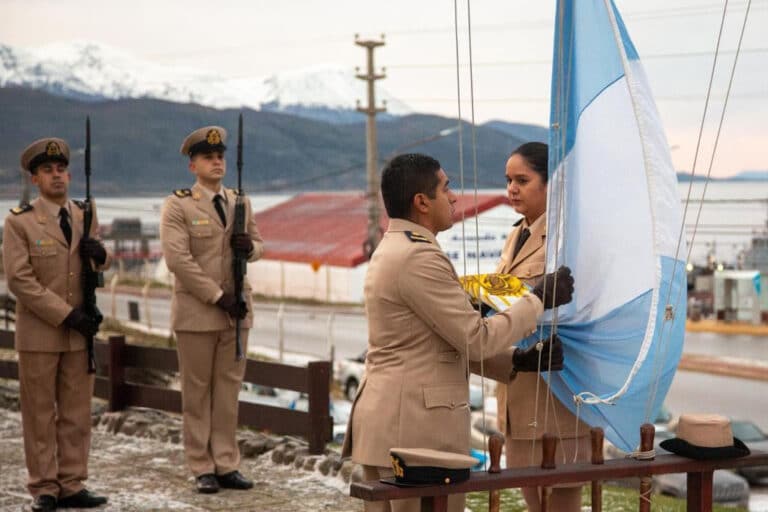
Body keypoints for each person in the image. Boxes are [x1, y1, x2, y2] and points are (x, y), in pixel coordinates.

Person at [341, 153, 574, 512]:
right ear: (422, 202)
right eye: (445, 188)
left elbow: (437, 342)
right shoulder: (418, 258)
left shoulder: (397, 249)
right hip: (415, 431)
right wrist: (539, 299)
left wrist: (516, 361)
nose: (454, 198)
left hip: (394, 423)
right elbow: (473, 337)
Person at [3, 137, 111, 511]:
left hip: (79, 335)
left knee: (77, 413)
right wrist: (66, 315)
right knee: (39, 414)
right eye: (48, 170)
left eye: (61, 169)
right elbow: (19, 280)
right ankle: (45, 487)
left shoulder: (85, 214)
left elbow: (89, 269)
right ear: (36, 179)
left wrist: (102, 257)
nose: (57, 176)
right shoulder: (20, 223)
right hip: (41, 334)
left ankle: (72, 483)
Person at [160, 125, 264, 494]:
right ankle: (201, 465)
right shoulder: (179, 205)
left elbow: (259, 243)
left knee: (228, 391)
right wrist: (218, 297)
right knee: (197, 392)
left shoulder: (240, 202)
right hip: (199, 312)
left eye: (220, 156)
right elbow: (179, 260)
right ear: (193, 166)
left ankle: (226, 462)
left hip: (237, 312)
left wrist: (247, 246)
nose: (217, 162)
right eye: (208, 157)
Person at [487, 142, 590, 512]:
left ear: (550, 184)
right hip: (517, 393)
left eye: (522, 180)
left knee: (560, 500)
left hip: (554, 398)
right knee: (533, 501)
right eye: (508, 180)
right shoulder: (519, 233)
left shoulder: (568, 239)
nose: (511, 188)